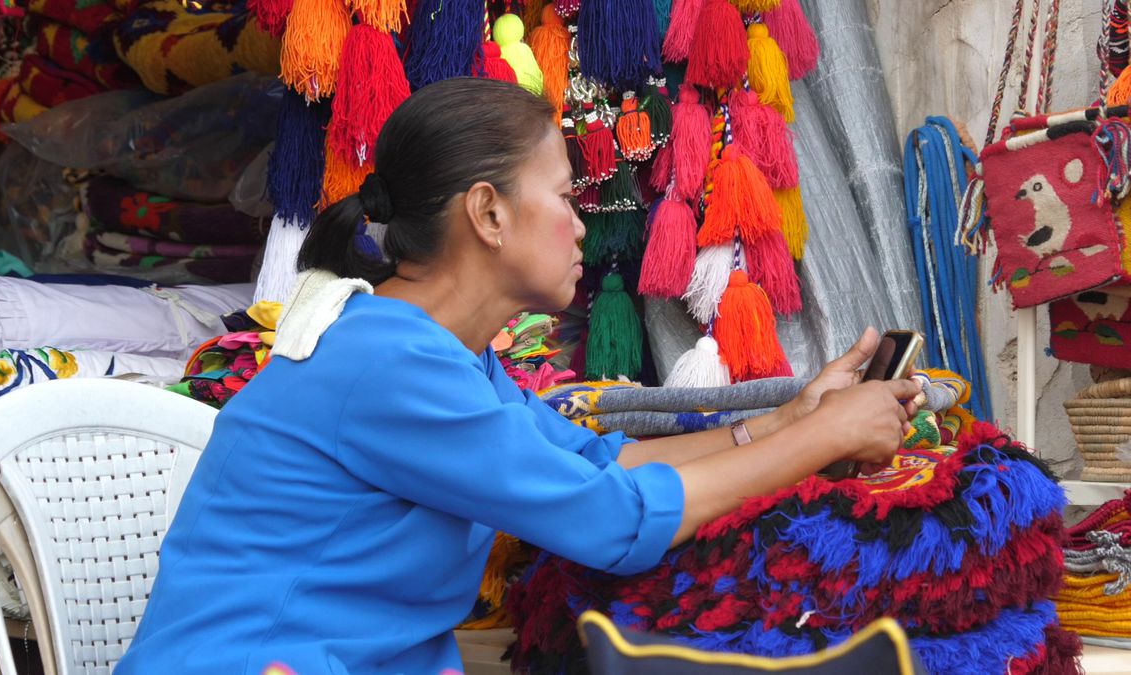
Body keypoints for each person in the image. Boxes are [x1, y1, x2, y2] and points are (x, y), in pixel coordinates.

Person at [116, 78, 920, 675]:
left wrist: (790, 420)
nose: (581, 223)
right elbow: (614, 522)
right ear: (489, 214)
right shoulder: (390, 364)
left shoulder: (443, 354)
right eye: (567, 195)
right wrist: (824, 437)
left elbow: (598, 464)